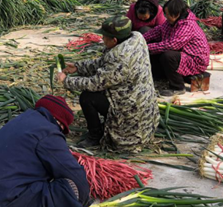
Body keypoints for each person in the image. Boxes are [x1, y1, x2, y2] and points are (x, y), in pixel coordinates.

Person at [58, 16, 159, 150]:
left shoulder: (120, 57)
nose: (102, 39)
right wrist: (78, 67)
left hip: (131, 114)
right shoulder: (136, 38)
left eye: (105, 37)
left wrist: (66, 81)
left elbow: (95, 83)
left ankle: (95, 136)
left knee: (87, 97)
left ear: (115, 40)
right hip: (142, 102)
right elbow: (104, 63)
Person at [144, 0, 210, 97]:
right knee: (154, 44)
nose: (166, 17)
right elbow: (158, 31)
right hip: (183, 53)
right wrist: (141, 39)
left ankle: (178, 87)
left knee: (168, 55)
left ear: (176, 14)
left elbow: (171, 45)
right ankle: (159, 76)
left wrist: (146, 47)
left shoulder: (187, 25)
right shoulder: (174, 21)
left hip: (195, 60)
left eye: (167, 14)